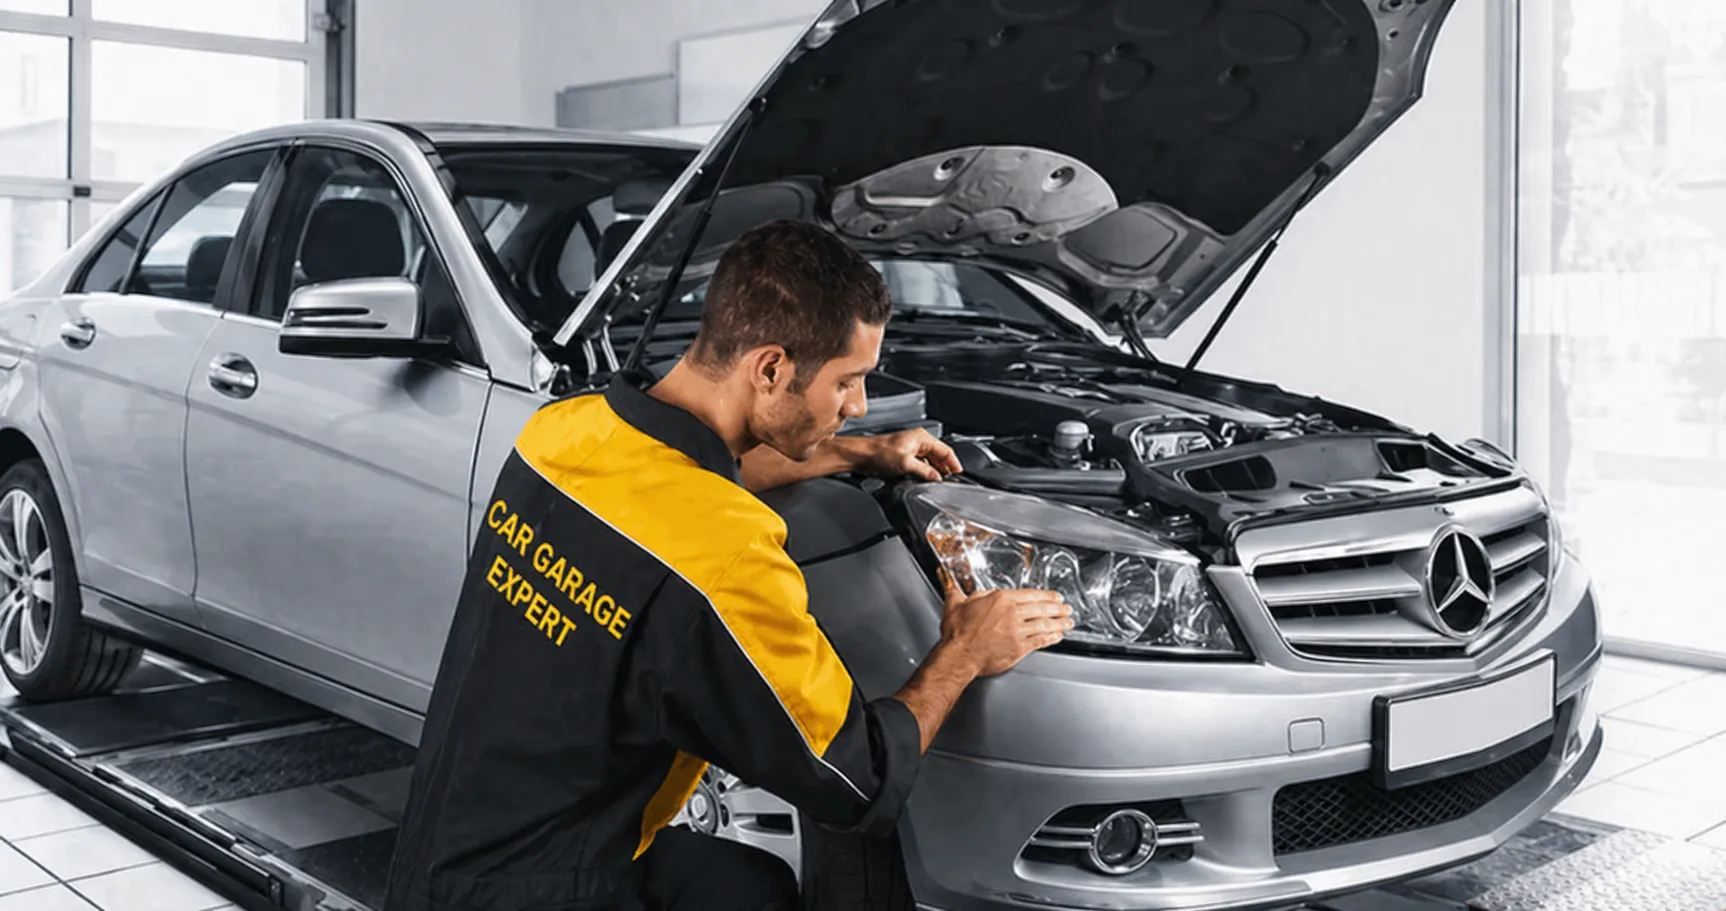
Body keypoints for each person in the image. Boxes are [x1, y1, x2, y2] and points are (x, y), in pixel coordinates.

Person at [382, 219, 1073, 911]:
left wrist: (857, 451)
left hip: (438, 852)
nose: (858, 405)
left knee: (752, 886)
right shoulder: (728, 549)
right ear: (770, 368)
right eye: (848, 382)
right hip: (552, 891)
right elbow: (855, 777)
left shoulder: (562, 431)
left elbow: (682, 476)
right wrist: (963, 649)